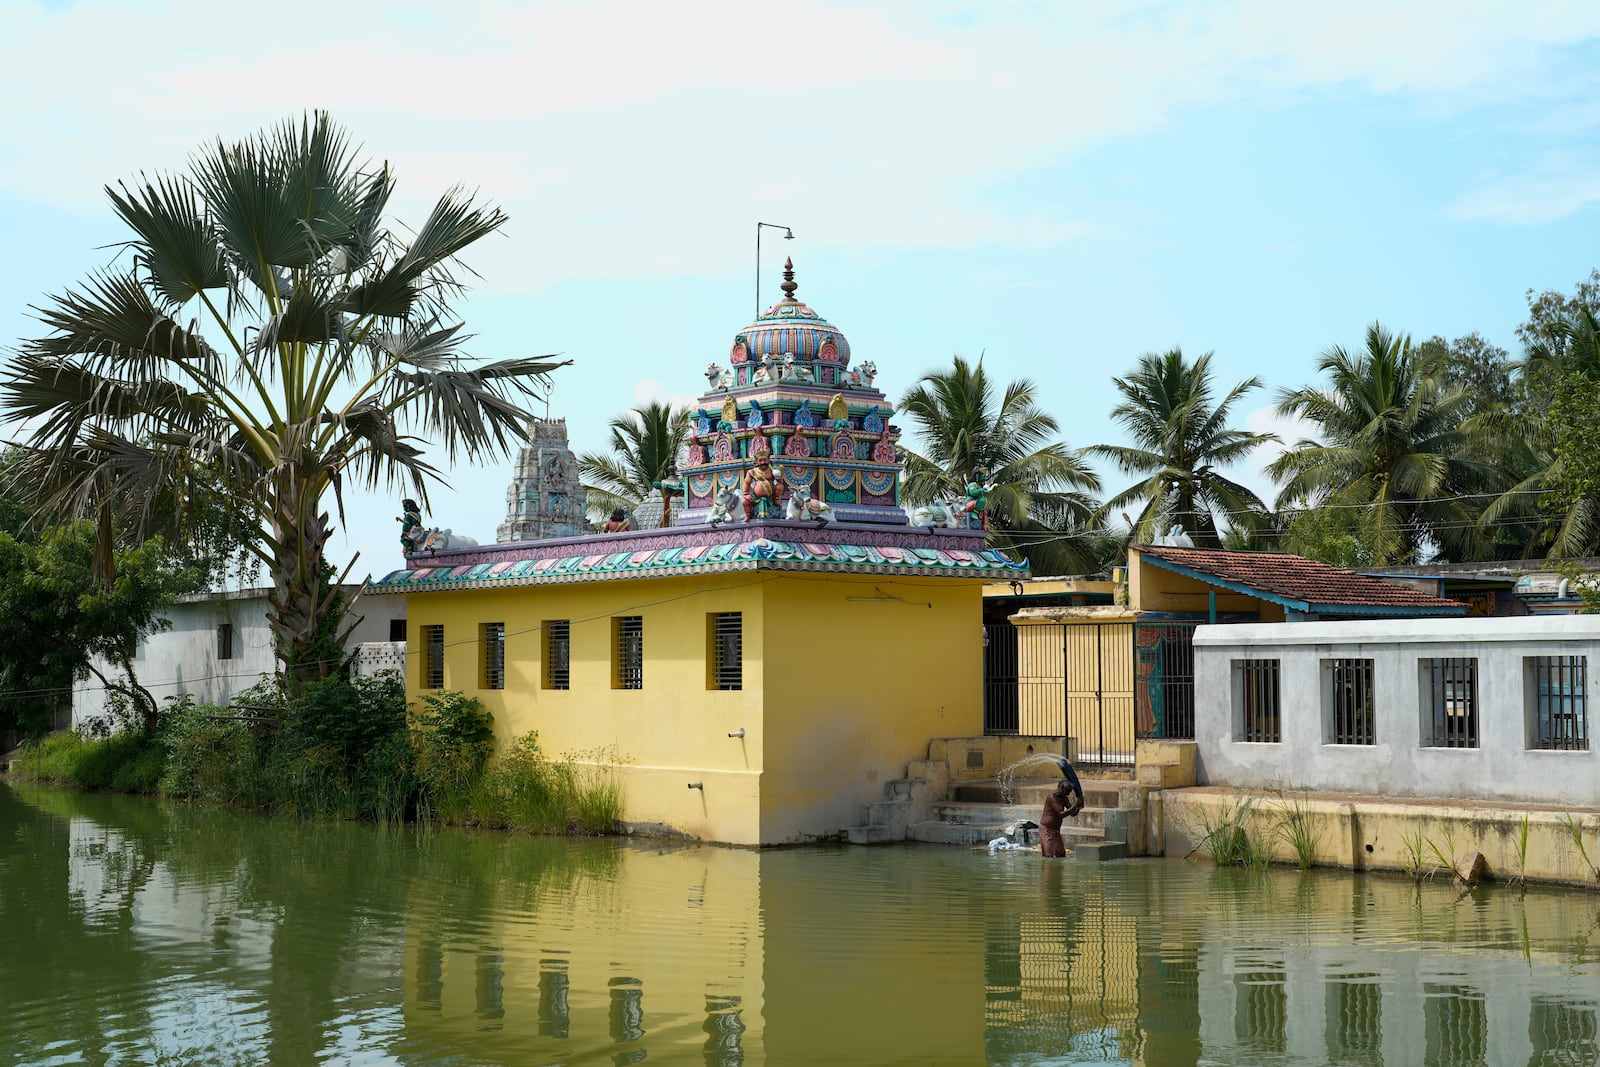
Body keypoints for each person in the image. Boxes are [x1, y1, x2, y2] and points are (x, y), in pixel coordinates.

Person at [1039, 758, 1085, 858]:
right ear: (1060, 788)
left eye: (1068, 792)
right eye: (1066, 792)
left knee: (1061, 855)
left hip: (1056, 830)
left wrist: (1079, 807)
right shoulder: (1052, 797)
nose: (1067, 794)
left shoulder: (1064, 798)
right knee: (1049, 856)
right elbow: (1061, 814)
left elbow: (1072, 813)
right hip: (1047, 830)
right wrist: (1075, 805)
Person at [742, 453, 779, 521]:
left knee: (780, 486)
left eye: (765, 460)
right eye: (760, 460)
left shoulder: (772, 471)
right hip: (756, 496)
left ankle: (777, 499)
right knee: (744, 502)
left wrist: (778, 475)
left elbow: (780, 482)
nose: (763, 462)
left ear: (769, 460)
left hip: (771, 495)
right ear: (756, 461)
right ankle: (747, 515)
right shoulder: (752, 472)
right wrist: (745, 494)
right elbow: (746, 483)